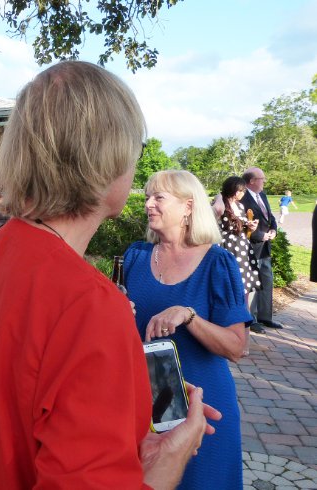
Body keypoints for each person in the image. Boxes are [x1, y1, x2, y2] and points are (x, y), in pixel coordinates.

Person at [0, 61, 218, 489]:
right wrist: (174, 454)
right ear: (106, 159)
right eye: (135, 148)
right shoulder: (89, 301)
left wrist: (122, 397)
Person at [124, 169, 251, 489]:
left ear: (189, 207)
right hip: (143, 405)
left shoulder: (216, 262)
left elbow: (237, 347)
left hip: (203, 406)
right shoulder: (135, 256)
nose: (148, 204)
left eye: (159, 197)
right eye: (147, 196)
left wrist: (189, 316)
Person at [217, 176, 262, 341]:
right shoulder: (220, 203)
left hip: (242, 251)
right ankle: (225, 334)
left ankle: (244, 340)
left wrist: (251, 226)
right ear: (232, 189)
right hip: (227, 250)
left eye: (243, 191)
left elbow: (242, 227)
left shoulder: (241, 206)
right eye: (240, 190)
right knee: (227, 289)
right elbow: (218, 221)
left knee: (243, 291)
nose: (242, 194)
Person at [240, 167, 283, 330]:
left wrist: (273, 230)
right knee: (252, 284)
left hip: (265, 248)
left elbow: (270, 217)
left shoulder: (262, 196)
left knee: (267, 280)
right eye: (262, 178)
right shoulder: (242, 198)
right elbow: (241, 222)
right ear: (252, 181)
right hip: (250, 247)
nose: (264, 181)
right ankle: (252, 320)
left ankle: (266, 317)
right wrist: (259, 235)